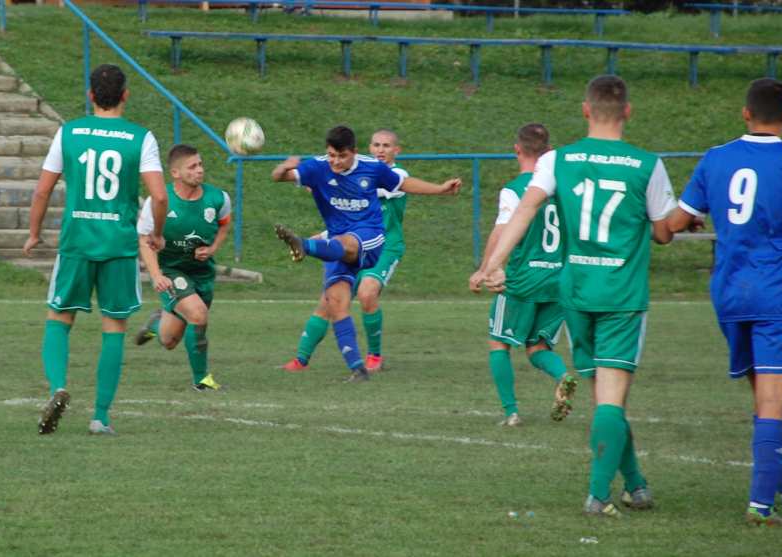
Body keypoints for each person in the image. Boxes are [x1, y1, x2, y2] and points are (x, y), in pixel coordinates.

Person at [481, 75, 677, 517]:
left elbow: (526, 209)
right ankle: (596, 494)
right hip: (622, 295)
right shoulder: (647, 164)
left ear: (585, 110)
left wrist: (494, 264)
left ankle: (638, 485)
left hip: (576, 292)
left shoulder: (557, 159)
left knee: (604, 396)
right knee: (611, 398)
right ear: (627, 111)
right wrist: (677, 223)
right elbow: (664, 232)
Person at [668, 78, 782, 527]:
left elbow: (675, 221)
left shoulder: (716, 158)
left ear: (745, 113)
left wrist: (688, 223)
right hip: (776, 294)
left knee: (763, 400)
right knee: (773, 403)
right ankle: (760, 507)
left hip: (729, 293)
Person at [24, 64, 168, 435]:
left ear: (90, 96)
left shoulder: (69, 132)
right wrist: (157, 234)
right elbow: (159, 196)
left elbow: (42, 190)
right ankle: (100, 417)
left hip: (76, 242)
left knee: (59, 318)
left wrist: (34, 233)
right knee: (114, 327)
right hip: (118, 245)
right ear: (125, 95)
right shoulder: (141, 138)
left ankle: (58, 387)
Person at [271, 125, 461, 382]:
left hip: (370, 239)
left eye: (342, 156)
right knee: (335, 302)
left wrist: (440, 189)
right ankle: (357, 368)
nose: (336, 162)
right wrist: (285, 166)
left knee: (363, 281)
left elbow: (404, 183)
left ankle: (305, 246)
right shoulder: (318, 166)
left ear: (355, 152)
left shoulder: (375, 169)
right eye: (331, 156)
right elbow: (280, 177)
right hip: (335, 240)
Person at [468, 123, 576, 427]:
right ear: (549, 152)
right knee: (538, 347)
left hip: (523, 279)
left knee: (499, 343)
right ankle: (563, 375)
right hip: (559, 280)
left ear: (517, 149)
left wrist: (486, 268)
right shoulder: (564, 191)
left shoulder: (517, 190)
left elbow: (502, 231)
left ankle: (511, 412)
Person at [283, 129, 409, 373]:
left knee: (367, 292)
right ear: (368, 148)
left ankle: (374, 356)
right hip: (349, 242)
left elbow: (360, 193)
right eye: (376, 145)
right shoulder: (353, 170)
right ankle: (301, 359)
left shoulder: (396, 174)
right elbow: (347, 210)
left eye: (386, 145)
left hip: (383, 248)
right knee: (328, 302)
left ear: (396, 150)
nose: (380, 150)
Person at [134, 144, 232, 392]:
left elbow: (224, 226)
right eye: (192, 166)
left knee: (169, 341)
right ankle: (202, 380)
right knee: (198, 314)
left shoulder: (218, 198)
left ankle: (155, 325)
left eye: (200, 164)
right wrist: (156, 275)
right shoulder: (159, 201)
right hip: (171, 271)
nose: (199, 170)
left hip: (202, 274)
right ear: (175, 173)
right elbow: (145, 240)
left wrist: (212, 249)